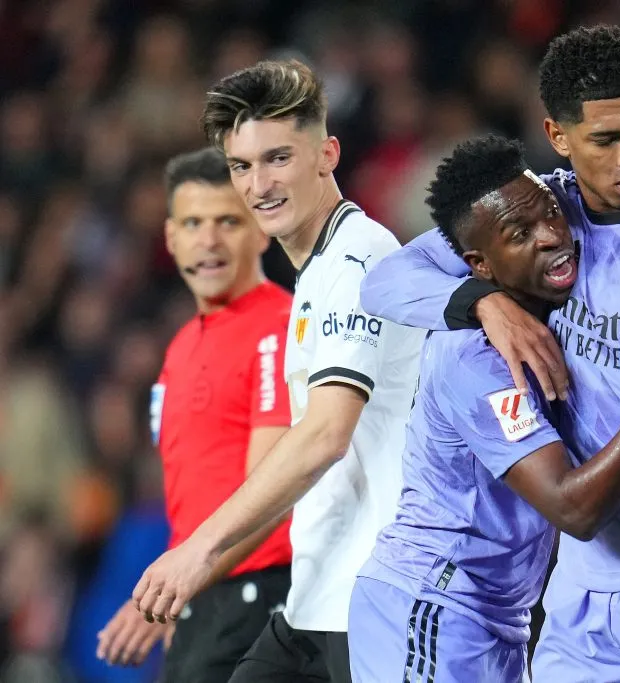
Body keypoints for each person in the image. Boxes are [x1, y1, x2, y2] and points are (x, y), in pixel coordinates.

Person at [360, 24, 620, 682]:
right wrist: (483, 301)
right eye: (606, 139)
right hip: (583, 584)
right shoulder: (538, 210)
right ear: (558, 136)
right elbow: (386, 281)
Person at [130, 60, 423, 683]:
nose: (258, 184)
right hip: (315, 598)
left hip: (372, 595)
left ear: (327, 154)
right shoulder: (316, 271)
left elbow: (325, 434)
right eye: (241, 166)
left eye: (278, 158)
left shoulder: (359, 258)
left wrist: (200, 551)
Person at [95, 147, 294, 682]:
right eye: (192, 223)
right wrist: (165, 594)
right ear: (170, 237)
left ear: (261, 232)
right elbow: (195, 496)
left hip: (261, 600)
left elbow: (271, 492)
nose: (209, 240)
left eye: (228, 221)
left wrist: (178, 583)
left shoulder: (279, 329)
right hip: (204, 599)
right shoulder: (181, 346)